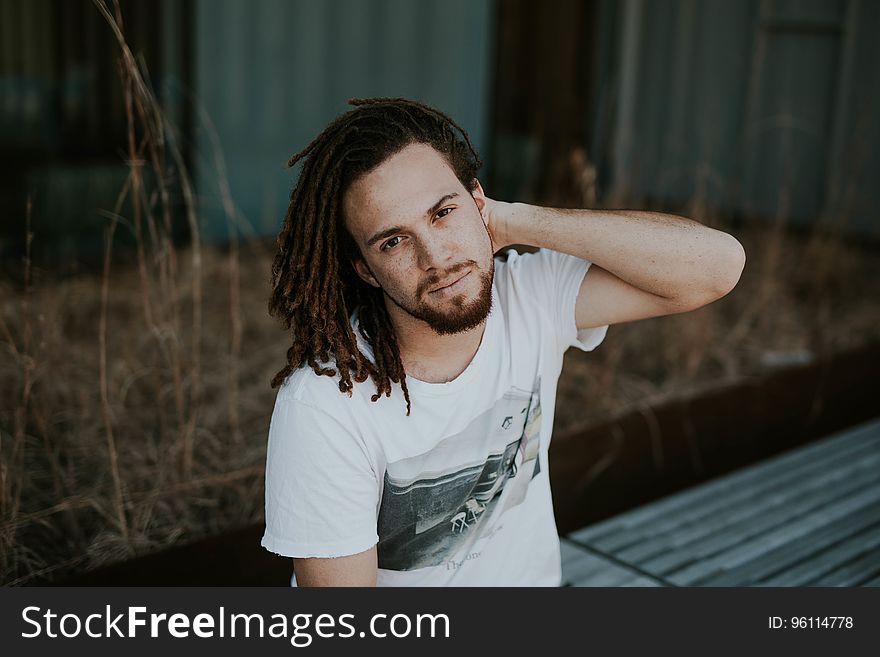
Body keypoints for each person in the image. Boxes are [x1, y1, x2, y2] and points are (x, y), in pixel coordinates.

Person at [261, 97, 745, 586]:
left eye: (443, 213)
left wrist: (513, 221)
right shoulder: (325, 404)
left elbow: (717, 267)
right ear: (364, 268)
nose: (437, 257)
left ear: (478, 201)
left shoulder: (529, 296)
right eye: (394, 241)